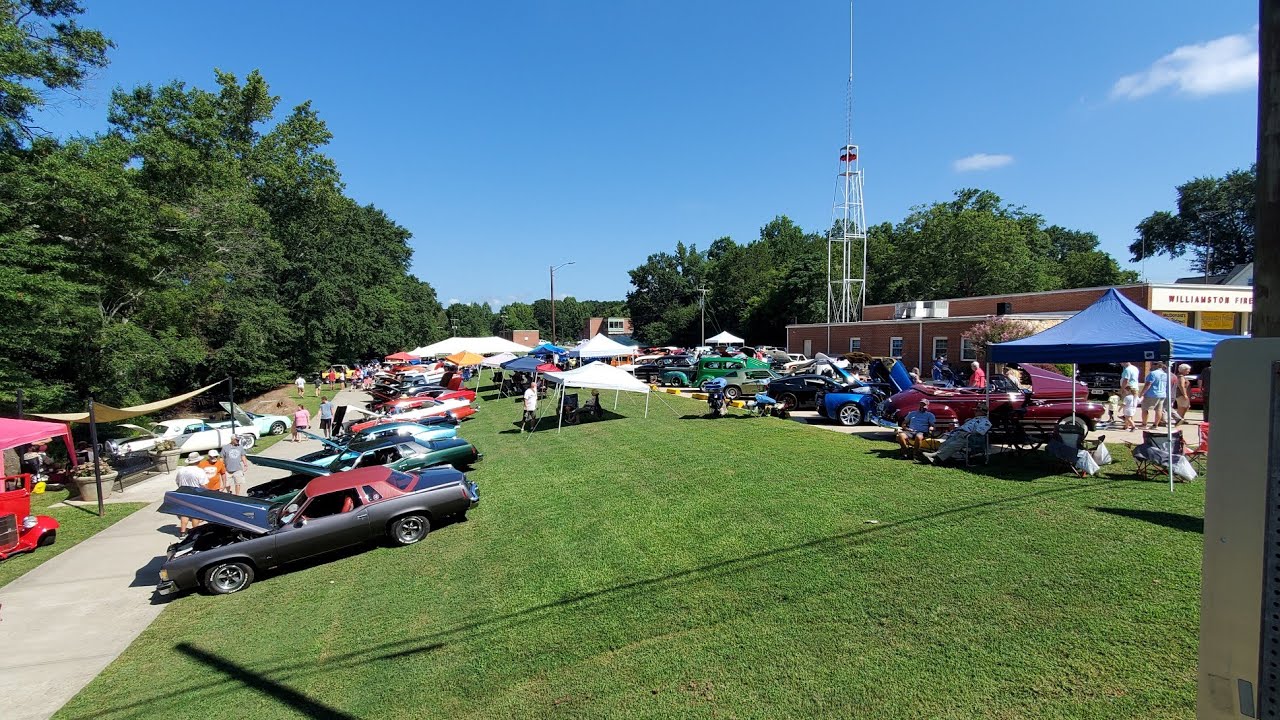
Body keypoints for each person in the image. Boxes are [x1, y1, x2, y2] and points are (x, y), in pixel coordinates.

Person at [923, 404, 992, 464]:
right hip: (959, 434)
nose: (975, 412)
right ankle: (937, 458)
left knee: (953, 445)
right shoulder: (972, 419)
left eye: (977, 411)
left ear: (982, 412)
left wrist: (967, 434)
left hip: (970, 438)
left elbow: (979, 432)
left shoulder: (985, 422)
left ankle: (936, 458)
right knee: (946, 443)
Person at [174, 453, 207, 534]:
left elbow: (177, 482)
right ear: (198, 461)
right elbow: (203, 485)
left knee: (184, 513)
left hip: (183, 494)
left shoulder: (181, 470)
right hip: (196, 494)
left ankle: (183, 531)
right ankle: (195, 531)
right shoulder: (199, 471)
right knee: (195, 514)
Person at [1139, 363, 1169, 428]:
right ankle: (1156, 425)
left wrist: (1142, 393)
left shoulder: (1153, 373)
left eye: (1153, 364)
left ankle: (1144, 424)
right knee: (1159, 410)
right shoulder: (1165, 374)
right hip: (1162, 394)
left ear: (1157, 365)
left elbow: (1148, 384)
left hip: (1152, 393)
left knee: (1145, 409)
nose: (1151, 366)